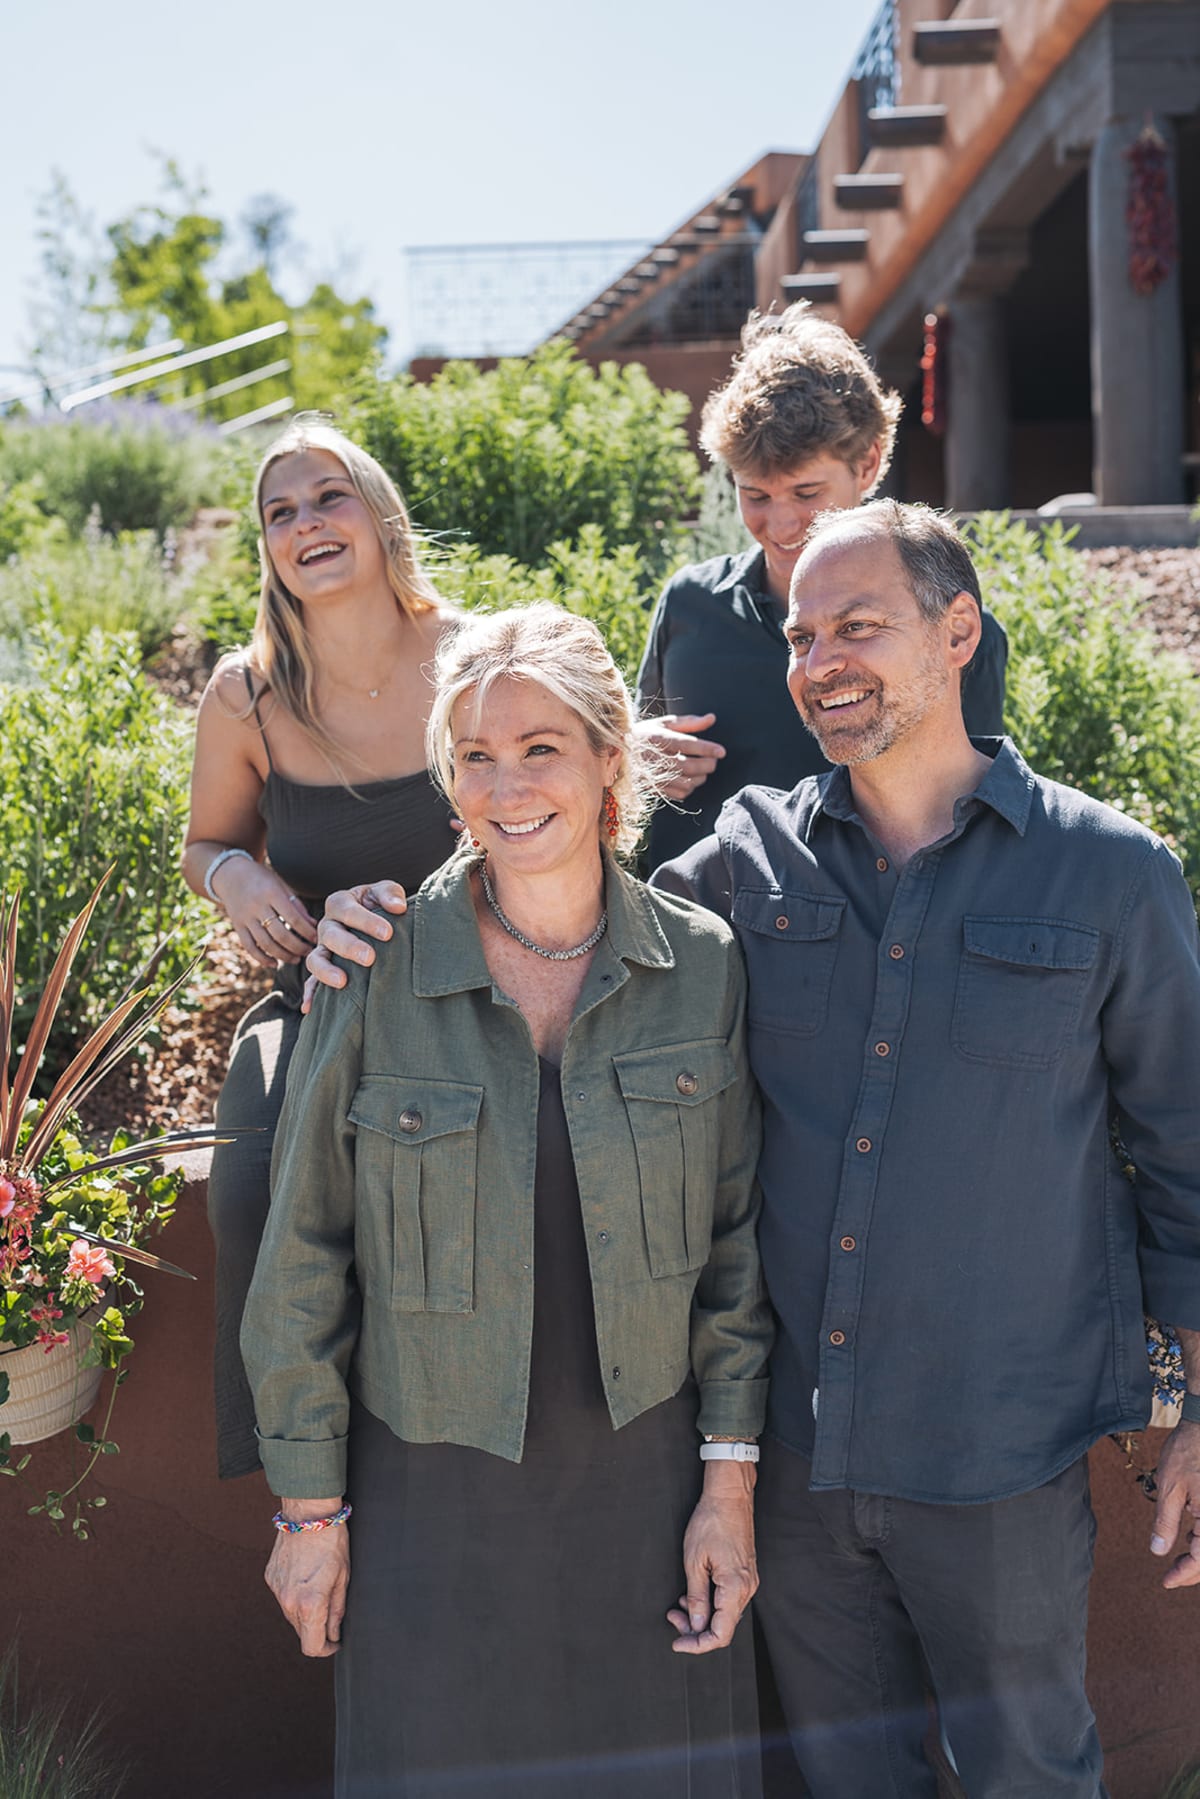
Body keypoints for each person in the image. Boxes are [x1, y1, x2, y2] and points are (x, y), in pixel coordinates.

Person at [651, 499, 1200, 1797]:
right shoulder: (744, 859)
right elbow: (580, 953)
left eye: (859, 623)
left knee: (1027, 1772)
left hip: (1001, 1456)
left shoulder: (1111, 875)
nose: (821, 657)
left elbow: (1188, 1151)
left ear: (959, 631)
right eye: (800, 633)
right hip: (799, 1457)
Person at [242, 604, 773, 1799]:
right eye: (474, 755)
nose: (507, 782)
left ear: (609, 761)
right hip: (433, 1482)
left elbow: (735, 1252)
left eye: (541, 746)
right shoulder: (370, 964)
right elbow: (303, 1250)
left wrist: (726, 1487)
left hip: (646, 1485)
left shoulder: (704, 963)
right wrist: (307, 1512)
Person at [181, 419, 458, 1480]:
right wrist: (240, 877)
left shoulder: (476, 655)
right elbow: (204, 842)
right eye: (279, 512)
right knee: (249, 1185)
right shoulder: (243, 694)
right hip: (321, 996)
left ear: (380, 513)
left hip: (487, 989)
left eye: (328, 496)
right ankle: (294, 1459)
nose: (305, 522)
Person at [635, 302, 1008, 868]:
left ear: (868, 464)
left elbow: (977, 824)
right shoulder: (688, 603)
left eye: (807, 494)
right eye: (755, 495)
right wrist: (632, 761)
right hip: (698, 940)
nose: (781, 525)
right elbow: (630, 777)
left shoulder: (946, 635)